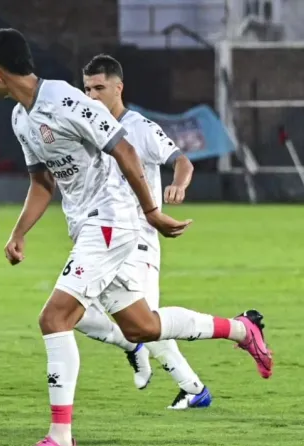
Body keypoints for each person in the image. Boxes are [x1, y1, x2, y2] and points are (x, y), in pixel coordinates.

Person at [0, 28, 273, 446]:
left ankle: (60, 439)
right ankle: (242, 329)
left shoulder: (65, 100)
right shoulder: (22, 118)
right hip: (87, 226)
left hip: (113, 222)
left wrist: (151, 211)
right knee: (141, 327)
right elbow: (42, 181)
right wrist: (19, 232)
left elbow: (125, 151)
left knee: (55, 318)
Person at [77, 54, 212, 410]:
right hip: (101, 235)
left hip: (138, 238)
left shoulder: (140, 127)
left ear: (118, 88)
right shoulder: (86, 129)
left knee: (144, 322)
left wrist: (178, 186)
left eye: (99, 88)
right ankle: (141, 352)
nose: (91, 95)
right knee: (73, 309)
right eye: (86, 88)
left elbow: (182, 161)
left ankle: (192, 381)